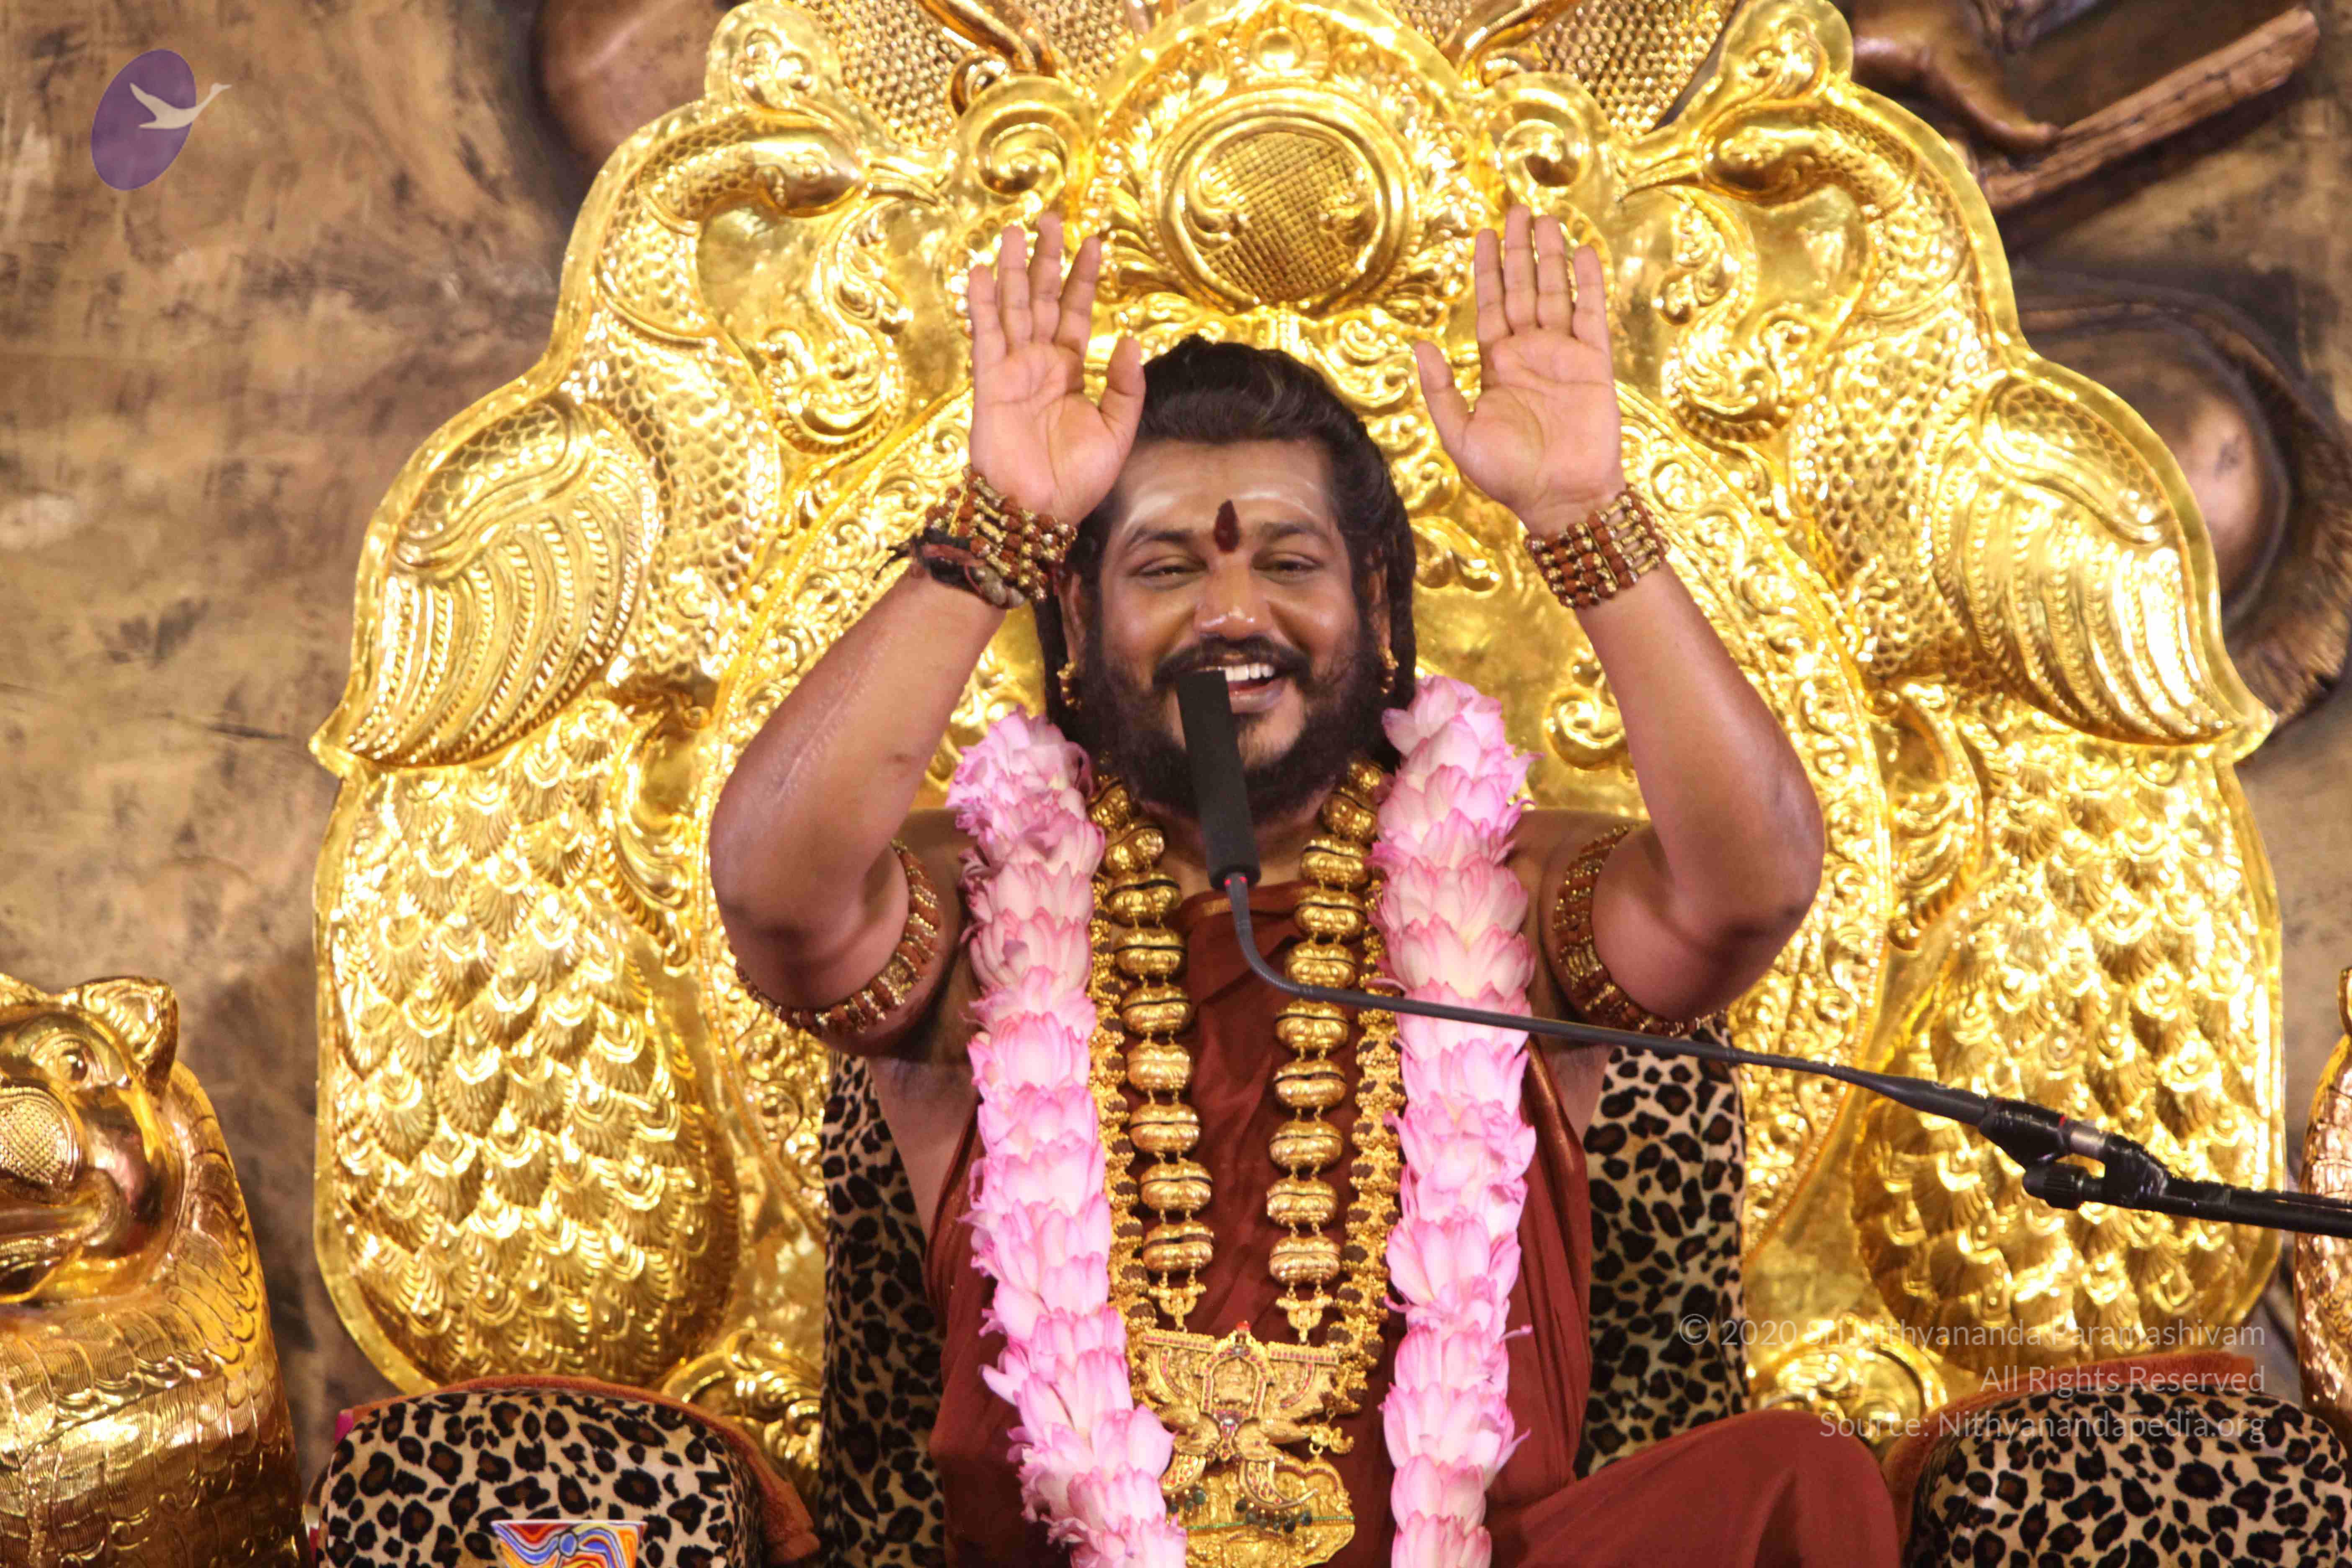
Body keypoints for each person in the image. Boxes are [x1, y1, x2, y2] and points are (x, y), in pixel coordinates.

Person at [711, 201, 1900, 1567]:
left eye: (1288, 563)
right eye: (1166, 567)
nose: (1232, 613)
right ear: (1079, 615)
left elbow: (1749, 885)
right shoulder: (982, 902)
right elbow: (776, 892)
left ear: (1379, 607)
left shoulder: (1506, 889)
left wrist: (1584, 518)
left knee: (1798, 1484)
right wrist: (1000, 528)